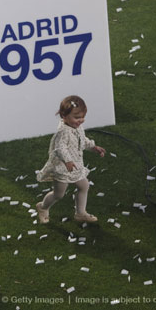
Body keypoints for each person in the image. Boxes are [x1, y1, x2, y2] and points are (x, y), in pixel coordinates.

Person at [35, 95, 106, 224]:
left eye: (83, 117)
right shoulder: (63, 132)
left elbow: (82, 140)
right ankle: (43, 207)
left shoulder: (77, 127)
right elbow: (60, 148)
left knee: (84, 185)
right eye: (77, 117)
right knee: (59, 194)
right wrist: (67, 160)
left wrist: (93, 147)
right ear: (64, 116)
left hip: (76, 164)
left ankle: (80, 213)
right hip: (63, 167)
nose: (81, 120)